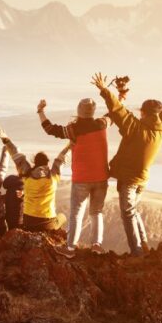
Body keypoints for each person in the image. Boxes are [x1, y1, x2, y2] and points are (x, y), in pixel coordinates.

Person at [92, 69, 162, 256]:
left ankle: (137, 252)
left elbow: (117, 110)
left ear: (143, 112)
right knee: (133, 211)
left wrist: (104, 89)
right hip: (142, 180)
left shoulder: (135, 128)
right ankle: (143, 244)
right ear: (158, 114)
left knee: (127, 213)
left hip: (129, 180)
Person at [38, 97, 110, 258]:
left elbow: (50, 129)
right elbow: (113, 113)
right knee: (97, 211)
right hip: (101, 177)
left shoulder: (73, 129)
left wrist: (41, 111)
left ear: (79, 111)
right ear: (92, 111)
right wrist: (120, 97)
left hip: (82, 178)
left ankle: (70, 249)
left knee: (76, 213)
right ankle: (97, 245)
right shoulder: (102, 124)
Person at [0, 128, 69, 232]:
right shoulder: (53, 175)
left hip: (28, 221)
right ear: (47, 163)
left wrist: (6, 140)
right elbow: (61, 158)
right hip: (48, 222)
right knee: (62, 216)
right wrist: (70, 146)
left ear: (35, 162)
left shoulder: (27, 174)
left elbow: (16, 156)